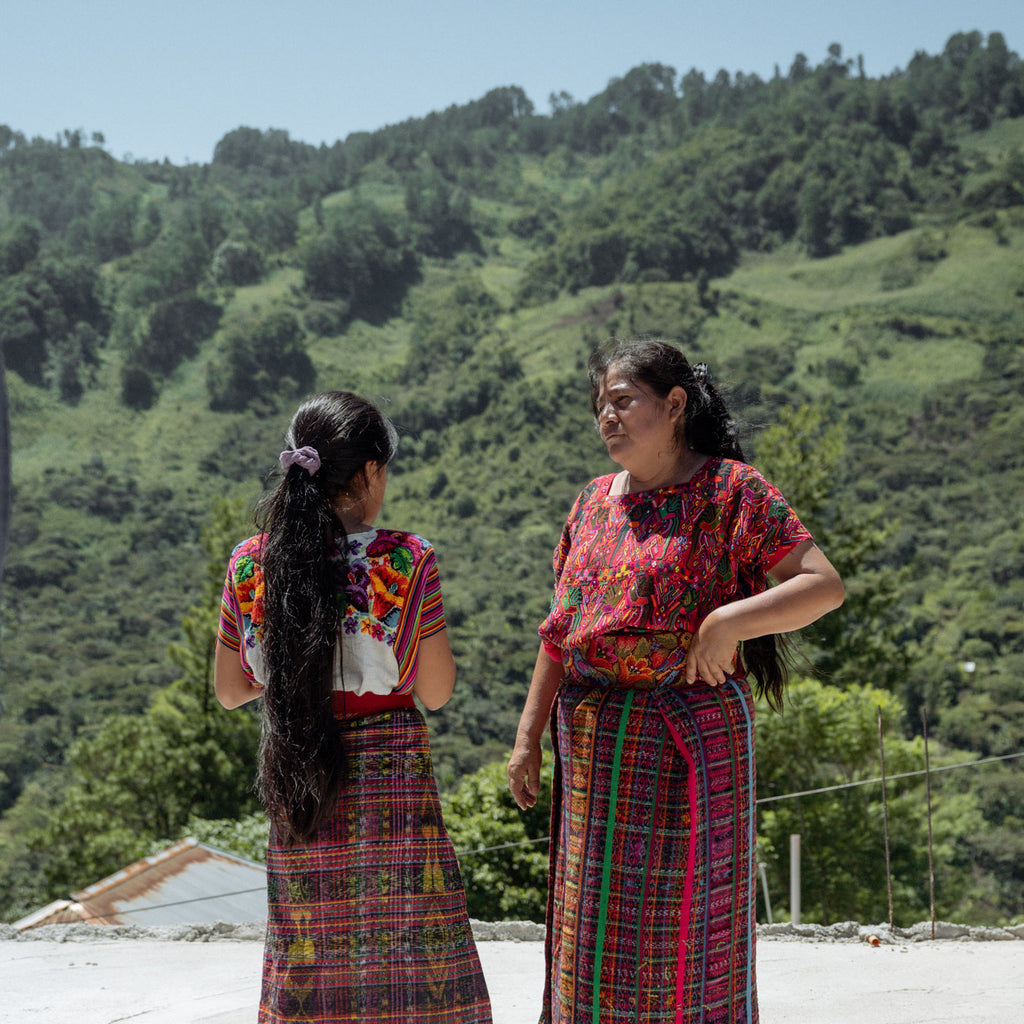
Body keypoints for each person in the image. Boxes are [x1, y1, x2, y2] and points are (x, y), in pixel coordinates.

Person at [507, 338, 845, 1024]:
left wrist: (727, 623)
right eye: (600, 404)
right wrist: (527, 738)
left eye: (623, 401)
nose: (607, 416)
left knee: (684, 930)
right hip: (595, 759)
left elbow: (823, 587)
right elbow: (560, 630)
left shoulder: (733, 493)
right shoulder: (592, 504)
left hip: (690, 749)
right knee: (590, 929)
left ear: (676, 404)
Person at [215, 391, 492, 1024]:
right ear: (368, 473)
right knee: (410, 947)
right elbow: (437, 691)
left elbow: (231, 690)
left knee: (310, 946)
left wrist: (298, 669)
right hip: (390, 779)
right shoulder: (403, 561)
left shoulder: (251, 562)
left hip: (299, 767)